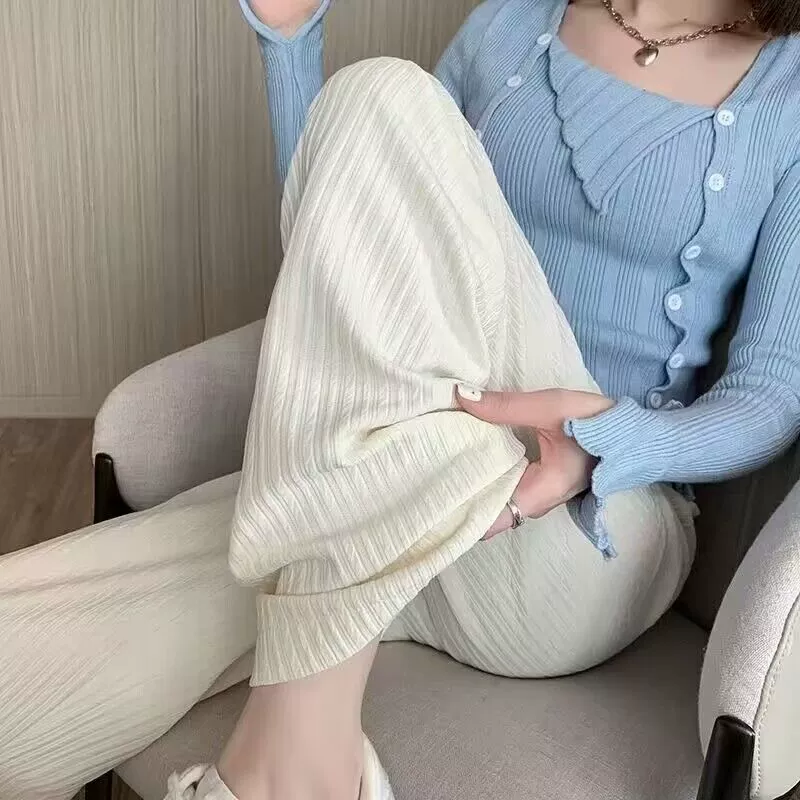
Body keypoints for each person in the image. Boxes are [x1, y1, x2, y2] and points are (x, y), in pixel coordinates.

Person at [2, 0, 800, 798]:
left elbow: (770, 396)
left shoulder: (788, 95)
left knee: (383, 92)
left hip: (580, 533)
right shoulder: (511, 23)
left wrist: (606, 442)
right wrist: (290, 46)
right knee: (32, 648)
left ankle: (300, 776)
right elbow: (342, 252)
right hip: (409, 483)